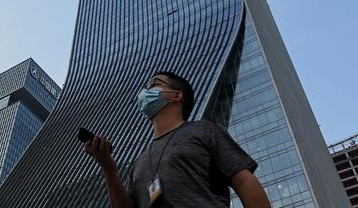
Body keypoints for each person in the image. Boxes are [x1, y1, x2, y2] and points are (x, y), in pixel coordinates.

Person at [85, 71, 272, 208]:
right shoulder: (139, 163)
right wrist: (109, 170)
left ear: (176, 95)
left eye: (154, 85)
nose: (145, 92)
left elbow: (244, 182)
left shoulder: (205, 130)